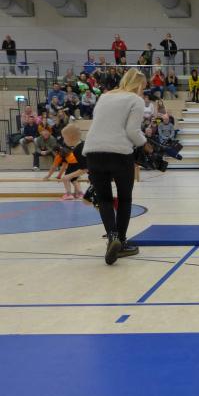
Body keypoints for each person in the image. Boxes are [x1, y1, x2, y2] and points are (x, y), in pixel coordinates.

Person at [84, 68, 148, 265]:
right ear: (139, 85)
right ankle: (121, 241)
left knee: (103, 199)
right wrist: (145, 144)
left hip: (93, 152)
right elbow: (132, 131)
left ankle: (112, 237)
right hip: (119, 153)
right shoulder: (135, 100)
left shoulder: (104, 97)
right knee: (124, 198)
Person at [43, 124, 87, 200]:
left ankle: (69, 194)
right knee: (73, 179)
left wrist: (48, 176)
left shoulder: (59, 155)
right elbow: (64, 166)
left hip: (74, 165)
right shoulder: (67, 151)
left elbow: (54, 167)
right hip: (76, 164)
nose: (63, 140)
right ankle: (79, 194)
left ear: (56, 152)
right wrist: (59, 176)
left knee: (69, 179)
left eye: (64, 138)